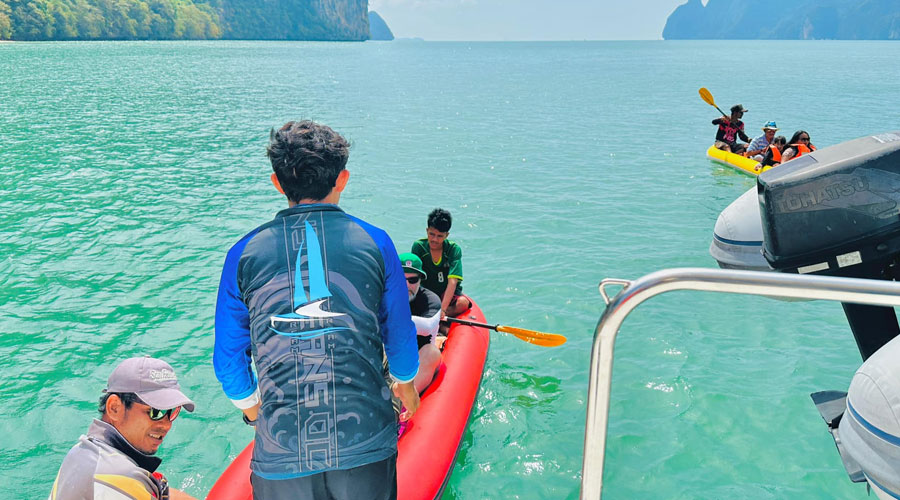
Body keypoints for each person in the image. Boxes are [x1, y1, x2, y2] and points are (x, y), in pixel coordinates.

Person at [214, 120, 420, 500]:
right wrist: (405, 384)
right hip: (366, 442)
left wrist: (255, 411)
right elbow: (401, 341)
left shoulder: (241, 254)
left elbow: (229, 362)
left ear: (277, 184)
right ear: (342, 179)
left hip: (280, 453)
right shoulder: (375, 242)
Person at [49, 357, 198, 500]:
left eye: (173, 412)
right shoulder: (119, 476)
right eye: (155, 412)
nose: (166, 425)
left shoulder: (82, 451)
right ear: (114, 408)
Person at [410, 209, 471, 318]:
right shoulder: (419, 247)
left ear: (446, 235)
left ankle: (437, 317)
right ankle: (436, 319)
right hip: (426, 292)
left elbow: (452, 281)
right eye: (431, 234)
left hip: (446, 293)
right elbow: (413, 276)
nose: (434, 239)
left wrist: (442, 310)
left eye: (439, 236)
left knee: (462, 303)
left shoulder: (453, 250)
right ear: (427, 231)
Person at [399, 252, 443, 393]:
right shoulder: (383, 296)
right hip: (393, 356)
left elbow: (427, 327)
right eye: (401, 278)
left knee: (432, 352)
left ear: (419, 281)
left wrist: (386, 317)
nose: (406, 285)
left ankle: (402, 402)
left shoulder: (431, 300)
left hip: (419, 359)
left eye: (412, 280)